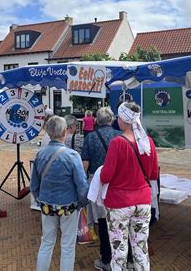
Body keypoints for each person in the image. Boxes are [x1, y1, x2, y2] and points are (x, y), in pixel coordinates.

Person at [100, 102, 159, 271]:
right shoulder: (148, 142)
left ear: (122, 120)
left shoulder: (117, 143)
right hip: (143, 201)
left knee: (119, 252)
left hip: (119, 203)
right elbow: (154, 174)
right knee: (141, 249)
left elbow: (106, 176)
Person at [30, 116, 89, 271]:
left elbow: (34, 185)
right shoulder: (72, 156)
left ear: (48, 132)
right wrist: (81, 203)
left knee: (47, 242)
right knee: (68, 245)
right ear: (65, 132)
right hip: (68, 205)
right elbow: (82, 185)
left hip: (47, 205)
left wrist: (40, 200)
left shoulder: (40, 154)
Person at [81, 107, 120, 270]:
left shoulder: (90, 137)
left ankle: (106, 259)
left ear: (96, 120)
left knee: (102, 223)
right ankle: (121, 258)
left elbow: (85, 165)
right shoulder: (120, 137)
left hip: (98, 184)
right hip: (118, 184)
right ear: (111, 120)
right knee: (118, 221)